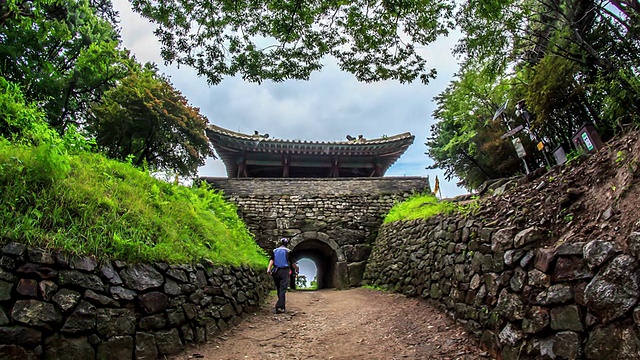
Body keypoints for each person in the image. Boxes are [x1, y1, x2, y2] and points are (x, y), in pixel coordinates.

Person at [266, 238, 298, 313]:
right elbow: (293, 263)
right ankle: (279, 307)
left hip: (276, 271)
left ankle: (282, 306)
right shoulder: (288, 251)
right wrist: (297, 269)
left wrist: (268, 269)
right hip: (284, 271)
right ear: (287, 244)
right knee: (283, 289)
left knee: (278, 288)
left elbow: (272, 260)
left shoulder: (275, 251)